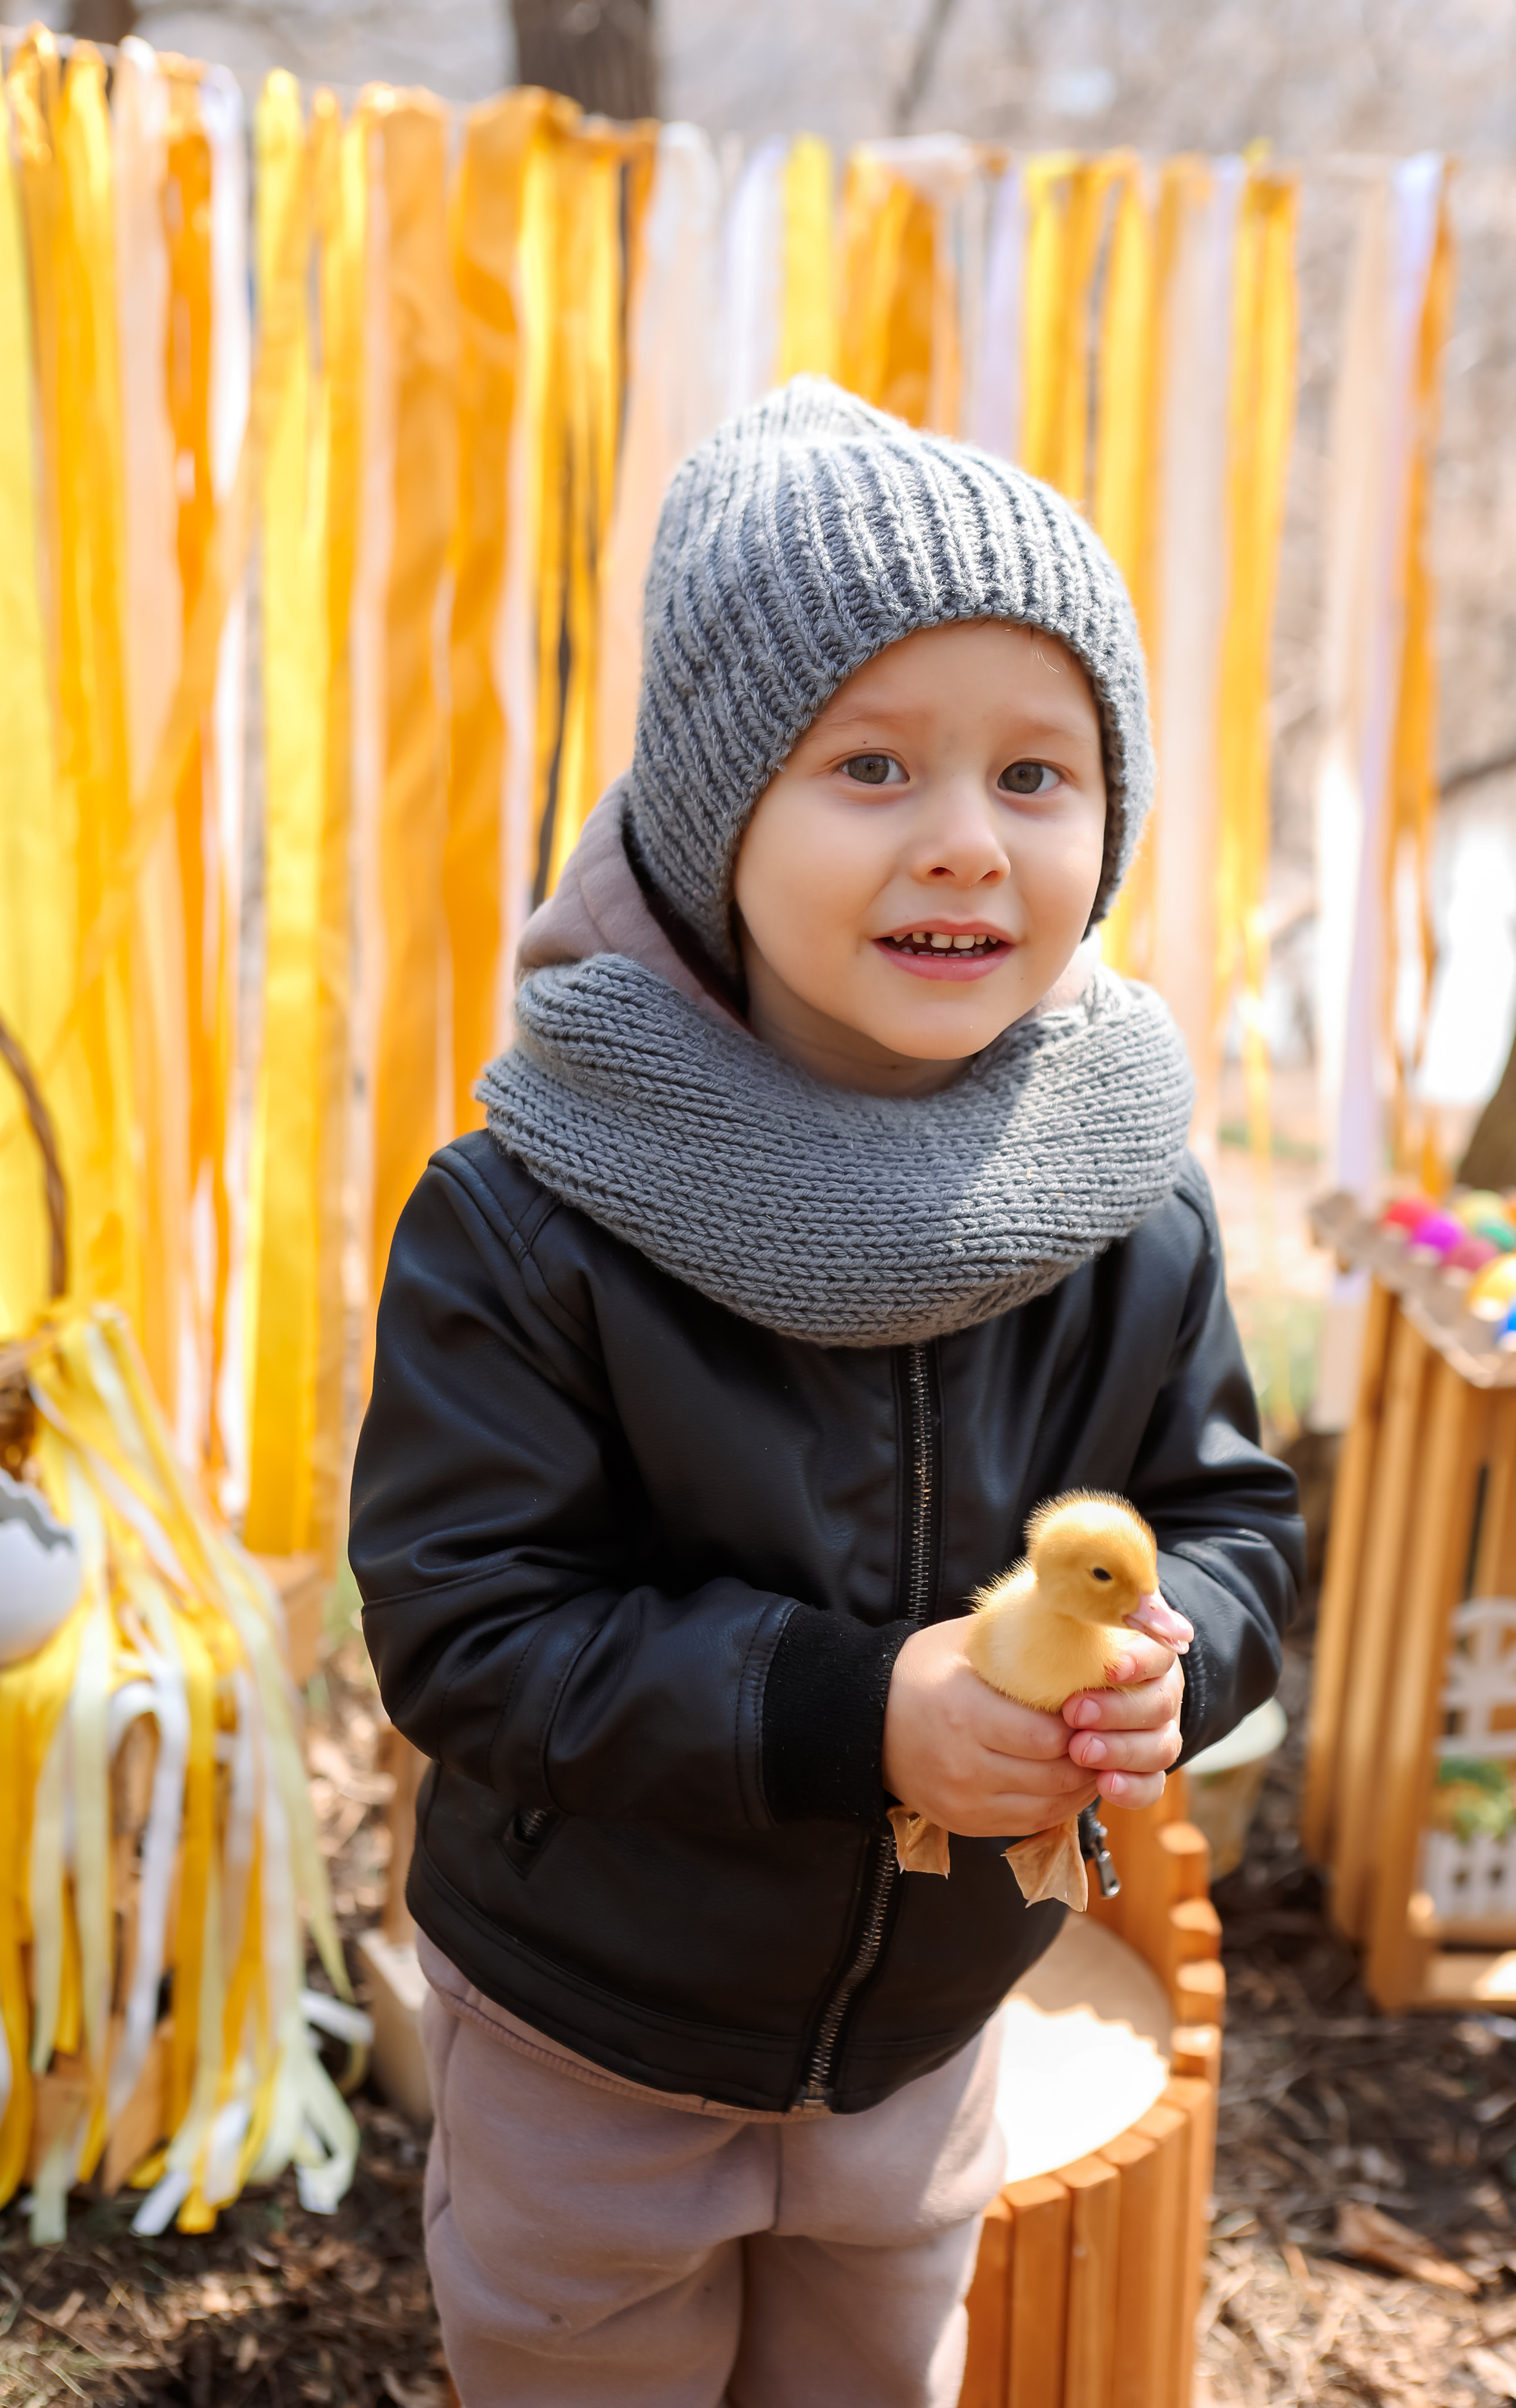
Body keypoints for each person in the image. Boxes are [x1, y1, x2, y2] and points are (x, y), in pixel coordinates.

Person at [349, 378, 1303, 2408]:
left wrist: (1177, 1663)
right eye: (872, 763)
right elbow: (470, 1629)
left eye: (1040, 775)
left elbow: (1232, 1525)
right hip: (597, 2022)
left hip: (925, 2029)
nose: (967, 838)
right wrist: (858, 1712)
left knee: (872, 2371)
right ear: (718, 815)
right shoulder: (537, 1209)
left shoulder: (1125, 1199)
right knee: (588, 2367)